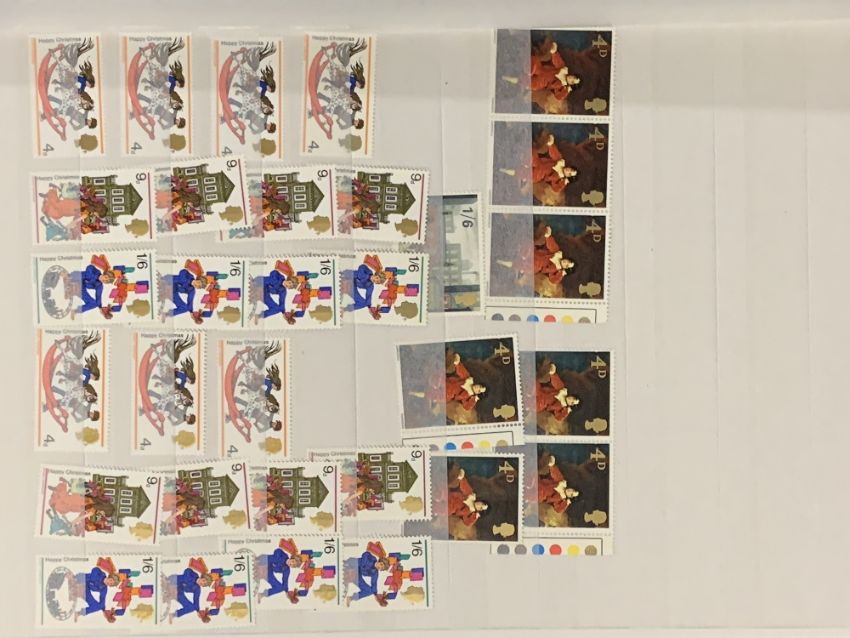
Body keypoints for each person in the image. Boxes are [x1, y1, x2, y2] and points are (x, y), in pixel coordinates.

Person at [530, 37, 582, 101]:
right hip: (540, 70)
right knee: (534, 61)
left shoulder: (561, 86)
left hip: (540, 82)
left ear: (571, 84)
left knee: (529, 83)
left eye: (572, 81)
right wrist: (554, 52)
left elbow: (558, 97)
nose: (571, 78)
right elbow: (557, 60)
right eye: (573, 77)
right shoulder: (563, 69)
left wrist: (567, 91)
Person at [347, 541, 390, 607]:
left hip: (357, 574)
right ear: (379, 561)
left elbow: (374, 583)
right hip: (352, 565)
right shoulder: (372, 559)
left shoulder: (375, 572)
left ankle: (351, 598)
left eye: (381, 568)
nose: (379, 567)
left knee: (369, 591)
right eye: (381, 564)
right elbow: (366, 554)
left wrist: (375, 595)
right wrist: (364, 563)